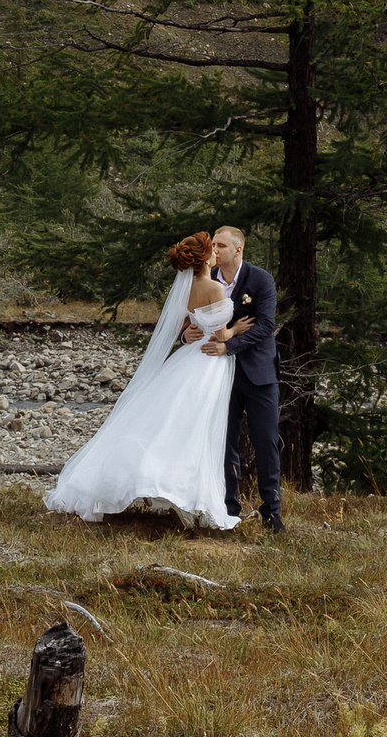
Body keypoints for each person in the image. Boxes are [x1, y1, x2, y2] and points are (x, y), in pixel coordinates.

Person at [41, 231, 251, 529]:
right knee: (198, 428)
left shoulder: (187, 287)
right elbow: (220, 335)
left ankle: (173, 492)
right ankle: (184, 496)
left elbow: (182, 321)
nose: (217, 252)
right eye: (212, 249)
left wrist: (189, 330)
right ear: (205, 258)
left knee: (175, 424)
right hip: (208, 363)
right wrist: (236, 329)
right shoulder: (214, 288)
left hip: (189, 357)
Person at [186, 225, 280, 532]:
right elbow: (187, 319)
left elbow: (265, 325)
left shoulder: (261, 280)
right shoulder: (205, 278)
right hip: (215, 373)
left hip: (258, 372)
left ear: (238, 250)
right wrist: (187, 335)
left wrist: (229, 346)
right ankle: (228, 509)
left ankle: (272, 512)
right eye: (213, 244)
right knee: (224, 441)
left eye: (221, 245)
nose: (214, 250)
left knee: (265, 441)